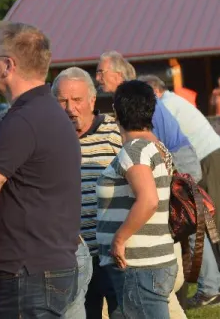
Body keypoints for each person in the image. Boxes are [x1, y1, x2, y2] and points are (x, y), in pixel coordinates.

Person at [0, 22, 81, 317]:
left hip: (28, 272)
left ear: (8, 65)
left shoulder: (23, 121)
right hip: (45, 266)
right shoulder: (47, 112)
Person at [139, 75, 220, 307]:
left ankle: (209, 287)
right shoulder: (166, 103)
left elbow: (158, 143)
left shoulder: (159, 105)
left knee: (188, 224)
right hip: (192, 161)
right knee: (193, 225)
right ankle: (211, 286)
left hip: (188, 163)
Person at [96, 80, 178, 319]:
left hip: (139, 264)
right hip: (147, 263)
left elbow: (149, 200)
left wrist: (119, 240)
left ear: (116, 110)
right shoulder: (155, 147)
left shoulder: (134, 150)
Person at [51, 67, 122, 319]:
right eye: (62, 101)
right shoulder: (49, 139)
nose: (70, 108)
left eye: (77, 100)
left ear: (92, 100)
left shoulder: (116, 132)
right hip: (73, 257)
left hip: (115, 253)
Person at [96, 51, 201, 182]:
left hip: (179, 164)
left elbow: (151, 143)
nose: (97, 78)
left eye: (101, 72)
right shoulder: (131, 97)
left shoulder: (138, 98)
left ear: (118, 75)